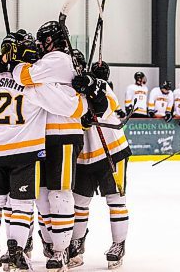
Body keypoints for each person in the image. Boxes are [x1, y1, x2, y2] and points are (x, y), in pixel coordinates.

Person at [0, 38, 87, 272]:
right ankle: (18, 251)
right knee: (22, 205)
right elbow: (73, 109)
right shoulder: (36, 87)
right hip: (23, 153)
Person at [69, 61, 131, 270]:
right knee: (79, 202)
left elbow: (109, 107)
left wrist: (93, 87)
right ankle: (77, 243)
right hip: (84, 156)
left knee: (116, 200)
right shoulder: (64, 91)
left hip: (112, 151)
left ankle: (118, 244)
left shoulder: (100, 84)